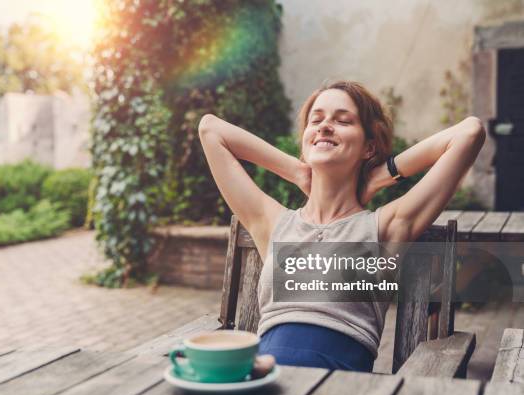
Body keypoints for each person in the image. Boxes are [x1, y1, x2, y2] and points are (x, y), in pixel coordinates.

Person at [197, 80, 486, 372]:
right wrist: (297, 170)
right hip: (266, 381)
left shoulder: (384, 228)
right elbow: (211, 129)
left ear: (369, 146)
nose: (325, 126)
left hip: (338, 389)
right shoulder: (274, 224)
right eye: (316, 120)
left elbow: (469, 133)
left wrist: (383, 175)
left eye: (342, 120)